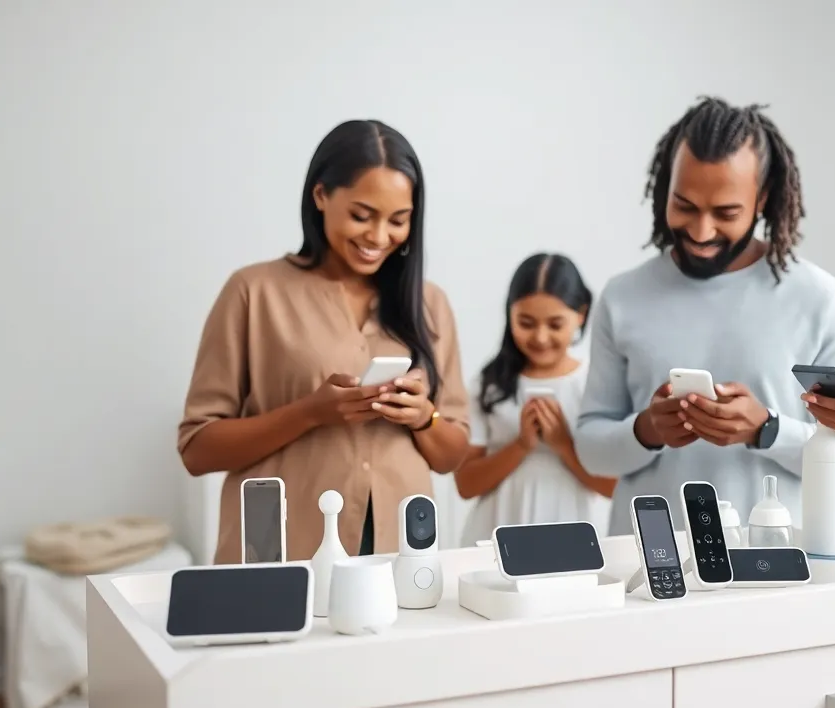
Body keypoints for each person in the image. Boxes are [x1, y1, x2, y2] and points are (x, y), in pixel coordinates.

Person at [575, 96, 835, 534]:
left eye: (726, 213)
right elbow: (590, 450)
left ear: (762, 199)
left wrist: (766, 430)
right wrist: (648, 429)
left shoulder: (821, 300)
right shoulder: (623, 297)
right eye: (684, 205)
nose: (701, 231)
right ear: (664, 187)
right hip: (648, 572)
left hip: (775, 570)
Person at [177, 119, 470, 563]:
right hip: (282, 549)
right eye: (361, 215)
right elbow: (197, 449)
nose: (378, 237)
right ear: (320, 196)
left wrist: (423, 417)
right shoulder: (253, 292)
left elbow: (452, 456)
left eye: (398, 220)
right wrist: (308, 413)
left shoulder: (430, 304)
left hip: (399, 556)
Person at [455, 253, 615, 545]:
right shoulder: (489, 383)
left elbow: (613, 487)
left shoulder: (596, 382)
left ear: (580, 314)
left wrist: (564, 445)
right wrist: (521, 445)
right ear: (509, 314)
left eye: (555, 325)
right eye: (526, 323)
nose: (540, 338)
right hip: (495, 531)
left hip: (573, 533)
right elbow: (465, 484)